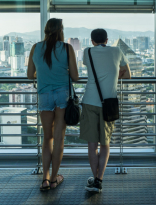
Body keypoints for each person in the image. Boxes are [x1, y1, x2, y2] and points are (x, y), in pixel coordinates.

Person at [27, 18, 78, 191]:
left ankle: (45, 179)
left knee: (47, 138)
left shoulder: (35, 47)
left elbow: (29, 75)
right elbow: (76, 76)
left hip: (44, 94)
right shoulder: (66, 48)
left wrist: (45, 75)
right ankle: (55, 179)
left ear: (46, 30)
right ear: (61, 30)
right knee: (59, 139)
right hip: (62, 95)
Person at [80, 28, 131, 193]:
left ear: (92, 41)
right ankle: (99, 180)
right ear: (107, 40)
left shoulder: (87, 52)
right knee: (105, 143)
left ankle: (93, 178)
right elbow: (127, 74)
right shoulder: (117, 51)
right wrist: (114, 76)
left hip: (89, 101)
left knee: (92, 144)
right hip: (108, 102)